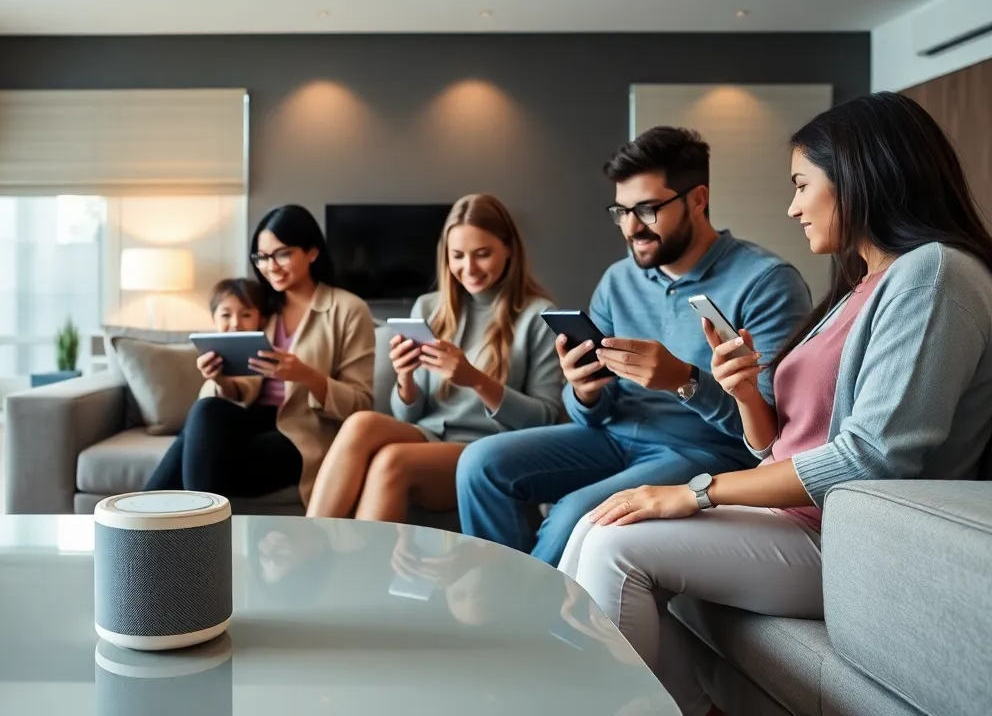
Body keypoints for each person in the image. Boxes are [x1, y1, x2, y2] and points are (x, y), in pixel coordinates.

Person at [559, 92, 992, 716]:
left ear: (861, 179)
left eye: (802, 184)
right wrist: (742, 394)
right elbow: (786, 445)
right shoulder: (861, 284)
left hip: (851, 536)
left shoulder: (935, 276)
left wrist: (697, 490)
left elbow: (872, 459)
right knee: (599, 523)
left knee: (617, 547)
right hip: (799, 518)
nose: (792, 206)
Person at [455, 127, 814, 565]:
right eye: (621, 211)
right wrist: (585, 390)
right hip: (612, 435)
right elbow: (590, 411)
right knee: (480, 463)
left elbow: (773, 432)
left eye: (647, 210)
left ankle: (523, 627)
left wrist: (685, 381)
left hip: (702, 451)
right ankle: (498, 608)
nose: (630, 228)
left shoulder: (766, 283)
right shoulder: (618, 279)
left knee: (575, 513)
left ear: (698, 199)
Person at [306, 194, 563, 522]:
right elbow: (410, 416)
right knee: (361, 423)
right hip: (429, 434)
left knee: (392, 460)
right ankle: (310, 545)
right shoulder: (429, 308)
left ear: (509, 248)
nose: (468, 269)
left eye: (482, 254)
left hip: (489, 448)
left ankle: (359, 569)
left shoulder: (537, 316)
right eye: (457, 256)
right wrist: (405, 379)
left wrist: (475, 380)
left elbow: (546, 419)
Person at [143, 204, 376, 503]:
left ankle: (142, 524)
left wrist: (305, 375)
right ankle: (169, 529)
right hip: (253, 420)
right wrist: (222, 378)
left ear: (312, 252)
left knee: (203, 454)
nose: (270, 266)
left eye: (282, 253)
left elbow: (360, 406)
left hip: (303, 434)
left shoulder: (348, 309)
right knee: (206, 411)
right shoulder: (262, 308)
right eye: (262, 257)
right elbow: (245, 387)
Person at [141, 277, 267, 491]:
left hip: (235, 425)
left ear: (261, 319)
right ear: (213, 318)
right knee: (192, 429)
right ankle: (144, 510)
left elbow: (243, 392)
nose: (236, 323)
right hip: (206, 427)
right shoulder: (211, 349)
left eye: (246, 314)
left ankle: (142, 510)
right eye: (226, 315)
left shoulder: (257, 351)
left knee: (204, 410)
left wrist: (220, 380)